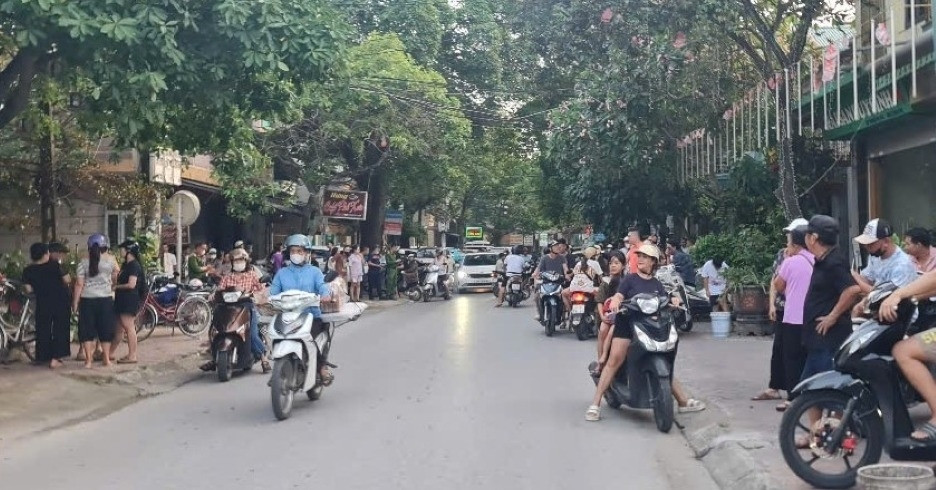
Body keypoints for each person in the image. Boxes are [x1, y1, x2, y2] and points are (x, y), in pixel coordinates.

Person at [586, 244, 701, 421]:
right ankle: (595, 404)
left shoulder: (656, 283)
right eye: (639, 256)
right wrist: (616, 301)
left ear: (653, 262)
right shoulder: (630, 279)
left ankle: (683, 402)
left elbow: (666, 297)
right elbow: (619, 295)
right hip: (627, 324)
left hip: (648, 326)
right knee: (614, 361)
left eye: (645, 257)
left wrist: (675, 300)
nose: (640, 259)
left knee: (664, 361)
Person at [752, 222, 814, 410]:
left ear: (796, 244)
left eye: (789, 241)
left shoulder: (789, 261)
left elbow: (778, 284)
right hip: (810, 315)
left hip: (792, 315)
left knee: (791, 357)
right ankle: (802, 392)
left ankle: (794, 397)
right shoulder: (816, 259)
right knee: (804, 355)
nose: (786, 245)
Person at [801, 215, 862, 398]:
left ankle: (838, 416)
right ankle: (819, 420)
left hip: (828, 339)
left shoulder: (833, 261)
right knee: (809, 391)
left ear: (813, 238)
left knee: (827, 390)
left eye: (807, 235)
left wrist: (832, 316)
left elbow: (852, 289)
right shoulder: (823, 260)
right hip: (817, 338)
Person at [270, 234, 332, 382]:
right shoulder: (282, 273)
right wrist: (267, 298)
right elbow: (273, 292)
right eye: (293, 251)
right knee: (276, 337)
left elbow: (322, 286)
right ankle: (278, 370)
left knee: (315, 340)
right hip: (287, 316)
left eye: (299, 251)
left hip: (311, 315)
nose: (296, 254)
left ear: (306, 253)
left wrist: (325, 295)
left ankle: (322, 367)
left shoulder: (315, 272)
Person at [201, 247, 269, 373]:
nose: (238, 263)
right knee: (215, 330)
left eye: (241, 260)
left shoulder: (251, 275)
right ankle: (215, 357)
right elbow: (219, 289)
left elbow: (261, 290)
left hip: (246, 307)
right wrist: (213, 295)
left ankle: (264, 358)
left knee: (252, 334)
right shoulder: (228, 277)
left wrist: (255, 295)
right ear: (232, 263)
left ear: (246, 261)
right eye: (236, 261)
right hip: (228, 308)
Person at [850, 219, 919, 318]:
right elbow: (867, 279)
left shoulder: (902, 264)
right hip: (876, 309)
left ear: (886, 241)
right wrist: (850, 275)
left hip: (899, 314)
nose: (866, 247)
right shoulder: (875, 256)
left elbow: (883, 295)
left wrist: (854, 276)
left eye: (871, 244)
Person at [72, 234, 119, 368]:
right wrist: (111, 283)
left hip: (87, 300)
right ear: (105, 247)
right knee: (105, 329)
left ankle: (88, 361)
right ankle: (106, 359)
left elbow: (79, 284)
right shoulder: (111, 260)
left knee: (87, 331)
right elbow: (116, 275)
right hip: (105, 300)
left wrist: (75, 302)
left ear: (89, 247)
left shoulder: (83, 262)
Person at [22, 243, 72, 368]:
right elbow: (67, 279)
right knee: (60, 328)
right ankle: (56, 359)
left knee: (43, 328)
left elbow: (28, 289)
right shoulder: (55, 265)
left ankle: (43, 357)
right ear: (45, 254)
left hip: (42, 302)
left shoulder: (28, 270)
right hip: (60, 301)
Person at [109, 240, 144, 364]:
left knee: (129, 327)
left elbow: (131, 284)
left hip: (129, 300)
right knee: (118, 329)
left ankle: (132, 355)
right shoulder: (126, 265)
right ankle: (109, 353)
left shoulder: (134, 265)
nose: (120, 252)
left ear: (128, 251)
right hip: (122, 299)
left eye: (122, 249)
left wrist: (116, 287)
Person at [593, 250, 626, 366]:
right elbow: (600, 301)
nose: (613, 266)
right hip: (607, 316)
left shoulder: (627, 282)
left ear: (623, 265)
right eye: (611, 263)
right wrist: (602, 316)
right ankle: (600, 363)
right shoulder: (605, 282)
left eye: (616, 263)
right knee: (603, 330)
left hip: (622, 317)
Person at [532, 240, 571, 322]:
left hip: (558, 281)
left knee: (564, 296)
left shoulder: (562, 258)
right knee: (537, 296)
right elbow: (538, 268)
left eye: (558, 246)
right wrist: (535, 274)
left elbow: (565, 268)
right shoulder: (544, 258)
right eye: (555, 246)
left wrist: (567, 275)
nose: (558, 248)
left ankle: (566, 314)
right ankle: (539, 313)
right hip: (546, 281)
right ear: (550, 248)